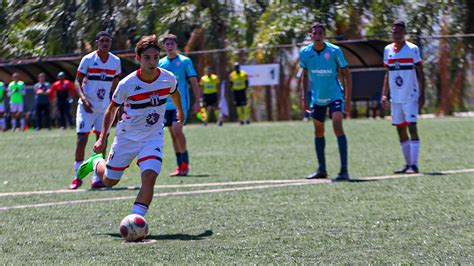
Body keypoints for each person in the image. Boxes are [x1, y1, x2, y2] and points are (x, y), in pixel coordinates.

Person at [75, 35, 182, 219]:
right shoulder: (127, 83)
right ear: (138, 58)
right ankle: (95, 162)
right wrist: (102, 138)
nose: (152, 61)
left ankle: (136, 219)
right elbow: (111, 109)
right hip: (127, 137)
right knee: (110, 181)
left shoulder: (167, 78)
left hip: (153, 136)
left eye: (156, 57)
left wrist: (181, 111)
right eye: (147, 58)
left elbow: (175, 93)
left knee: (149, 177)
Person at [299, 22, 352, 181]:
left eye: (320, 33)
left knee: (337, 127)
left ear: (324, 35)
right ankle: (321, 169)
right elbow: (304, 75)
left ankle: (344, 171)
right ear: (310, 36)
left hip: (335, 95)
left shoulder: (335, 51)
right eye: (314, 33)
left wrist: (347, 99)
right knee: (318, 131)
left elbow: (347, 74)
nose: (317, 35)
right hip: (317, 98)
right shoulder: (305, 53)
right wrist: (304, 97)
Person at [69, 31, 122, 189]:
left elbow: (116, 86)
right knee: (81, 140)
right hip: (87, 107)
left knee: (101, 143)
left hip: (104, 109)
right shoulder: (88, 59)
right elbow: (77, 82)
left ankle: (97, 178)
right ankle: (77, 176)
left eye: (108, 41)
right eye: (102, 40)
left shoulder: (115, 61)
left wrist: (115, 106)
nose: (105, 43)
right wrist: (84, 99)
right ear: (97, 42)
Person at [381, 20, 425, 174]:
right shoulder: (387, 50)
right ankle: (407, 164)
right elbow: (387, 73)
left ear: (404, 33)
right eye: (394, 32)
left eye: (400, 32)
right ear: (391, 32)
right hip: (396, 98)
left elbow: (420, 72)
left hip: (411, 95)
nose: (397, 34)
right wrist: (384, 94)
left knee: (412, 126)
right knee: (400, 129)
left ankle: (414, 165)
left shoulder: (412, 49)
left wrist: (422, 93)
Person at [158, 33, 200, 176]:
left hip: (180, 105)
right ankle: (179, 166)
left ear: (176, 45)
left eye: (172, 44)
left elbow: (193, 81)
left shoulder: (185, 61)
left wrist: (198, 101)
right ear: (163, 46)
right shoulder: (161, 63)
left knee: (177, 130)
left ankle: (185, 164)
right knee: (172, 135)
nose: (169, 46)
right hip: (165, 105)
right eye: (167, 44)